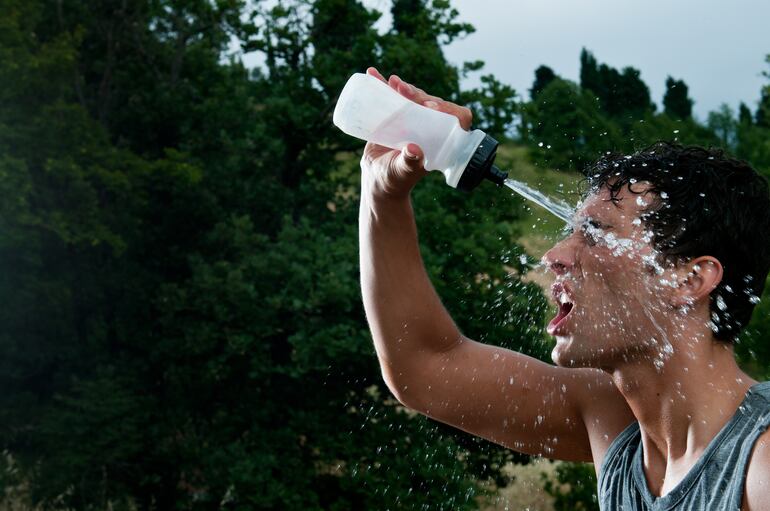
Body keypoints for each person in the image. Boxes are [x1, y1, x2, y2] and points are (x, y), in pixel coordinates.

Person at [359, 66, 770, 510]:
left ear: (690, 279)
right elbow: (423, 366)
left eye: (593, 233)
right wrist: (382, 193)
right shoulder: (612, 419)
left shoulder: (759, 466)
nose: (553, 255)